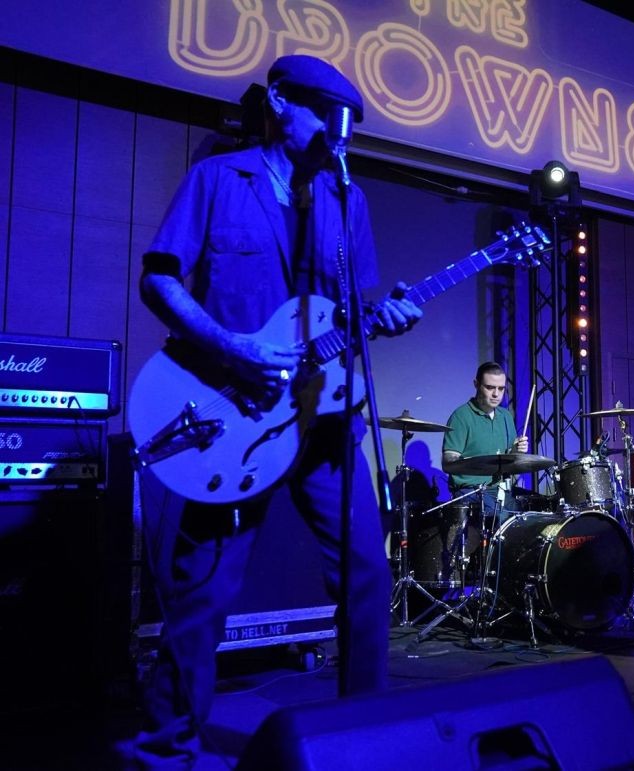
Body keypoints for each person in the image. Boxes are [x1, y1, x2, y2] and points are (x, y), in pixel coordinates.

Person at [124, 55, 422, 767]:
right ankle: (167, 748)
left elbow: (349, 313)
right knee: (206, 591)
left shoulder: (349, 199)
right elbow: (159, 281)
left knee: (368, 574)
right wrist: (234, 348)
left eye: (346, 120)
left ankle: (362, 736)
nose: (337, 130)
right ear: (281, 102)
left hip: (323, 419)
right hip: (232, 416)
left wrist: (386, 317)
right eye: (323, 112)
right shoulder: (217, 179)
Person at [441, 362, 529, 520]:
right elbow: (448, 463)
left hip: (499, 490)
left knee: (532, 513)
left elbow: (507, 457)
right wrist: (477, 465)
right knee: (501, 518)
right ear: (476, 384)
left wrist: (516, 451)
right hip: (471, 491)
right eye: (490, 387)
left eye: (501, 389)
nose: (496, 394)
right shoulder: (461, 417)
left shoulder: (505, 416)